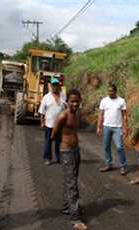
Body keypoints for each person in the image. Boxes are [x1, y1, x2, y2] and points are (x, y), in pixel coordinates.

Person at [51, 89, 87, 230]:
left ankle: (67, 207)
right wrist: (63, 144)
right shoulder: (63, 116)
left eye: (77, 101)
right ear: (67, 102)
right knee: (71, 183)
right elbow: (54, 135)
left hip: (76, 150)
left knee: (71, 179)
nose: (74, 104)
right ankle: (75, 218)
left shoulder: (77, 115)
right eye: (72, 101)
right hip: (66, 151)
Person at [97, 83, 128, 175]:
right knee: (106, 147)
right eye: (109, 91)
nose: (110, 93)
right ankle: (108, 164)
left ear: (115, 91)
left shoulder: (121, 101)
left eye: (111, 91)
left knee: (119, 147)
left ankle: (123, 166)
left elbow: (125, 115)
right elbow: (101, 114)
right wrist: (99, 127)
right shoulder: (104, 100)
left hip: (117, 128)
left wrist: (125, 127)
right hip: (106, 126)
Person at [38, 78, 66, 165]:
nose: (55, 87)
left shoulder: (63, 96)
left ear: (58, 86)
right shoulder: (46, 97)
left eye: (56, 85)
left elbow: (66, 109)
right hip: (49, 124)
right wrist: (42, 122)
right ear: (50, 86)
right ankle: (47, 158)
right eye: (53, 85)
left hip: (60, 124)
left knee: (59, 143)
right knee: (48, 142)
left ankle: (58, 158)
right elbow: (42, 111)